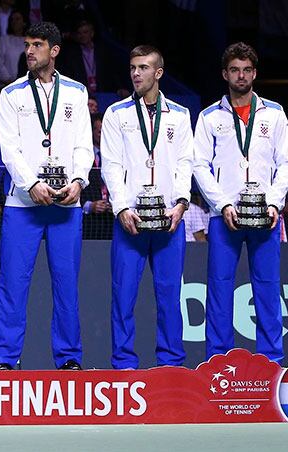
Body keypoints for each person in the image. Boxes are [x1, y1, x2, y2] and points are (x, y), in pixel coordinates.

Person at [0, 22, 92, 371]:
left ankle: (68, 358)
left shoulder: (76, 93)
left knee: (66, 286)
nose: (29, 51)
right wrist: (31, 183)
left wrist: (78, 181)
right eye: (27, 44)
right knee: (12, 284)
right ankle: (4, 359)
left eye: (36, 45)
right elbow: (10, 150)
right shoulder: (12, 94)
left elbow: (83, 145)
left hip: (67, 203)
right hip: (23, 204)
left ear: (55, 50)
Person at [192, 42, 288, 363]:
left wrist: (275, 203)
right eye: (235, 70)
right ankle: (217, 361)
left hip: (265, 215)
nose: (241, 76)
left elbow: (286, 162)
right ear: (225, 74)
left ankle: (271, 361)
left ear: (255, 73)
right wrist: (222, 204)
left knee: (267, 288)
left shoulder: (275, 114)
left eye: (247, 70)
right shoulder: (210, 117)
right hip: (225, 217)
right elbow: (199, 165)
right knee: (219, 289)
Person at [100, 45, 193, 369]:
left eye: (143, 67)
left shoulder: (180, 115)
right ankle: (124, 364)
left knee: (169, 297)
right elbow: (110, 164)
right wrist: (122, 207)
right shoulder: (117, 114)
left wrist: (181, 204)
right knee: (123, 297)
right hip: (131, 220)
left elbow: (185, 163)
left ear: (159, 72)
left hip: (169, 220)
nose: (135, 73)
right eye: (132, 67)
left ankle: (171, 364)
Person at [0, 10, 27, 88]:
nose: (14, 22)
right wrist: (9, 81)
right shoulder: (4, 40)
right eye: (12, 19)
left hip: (26, 86)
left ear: (24, 22)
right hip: (6, 85)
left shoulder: (29, 41)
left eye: (17, 19)